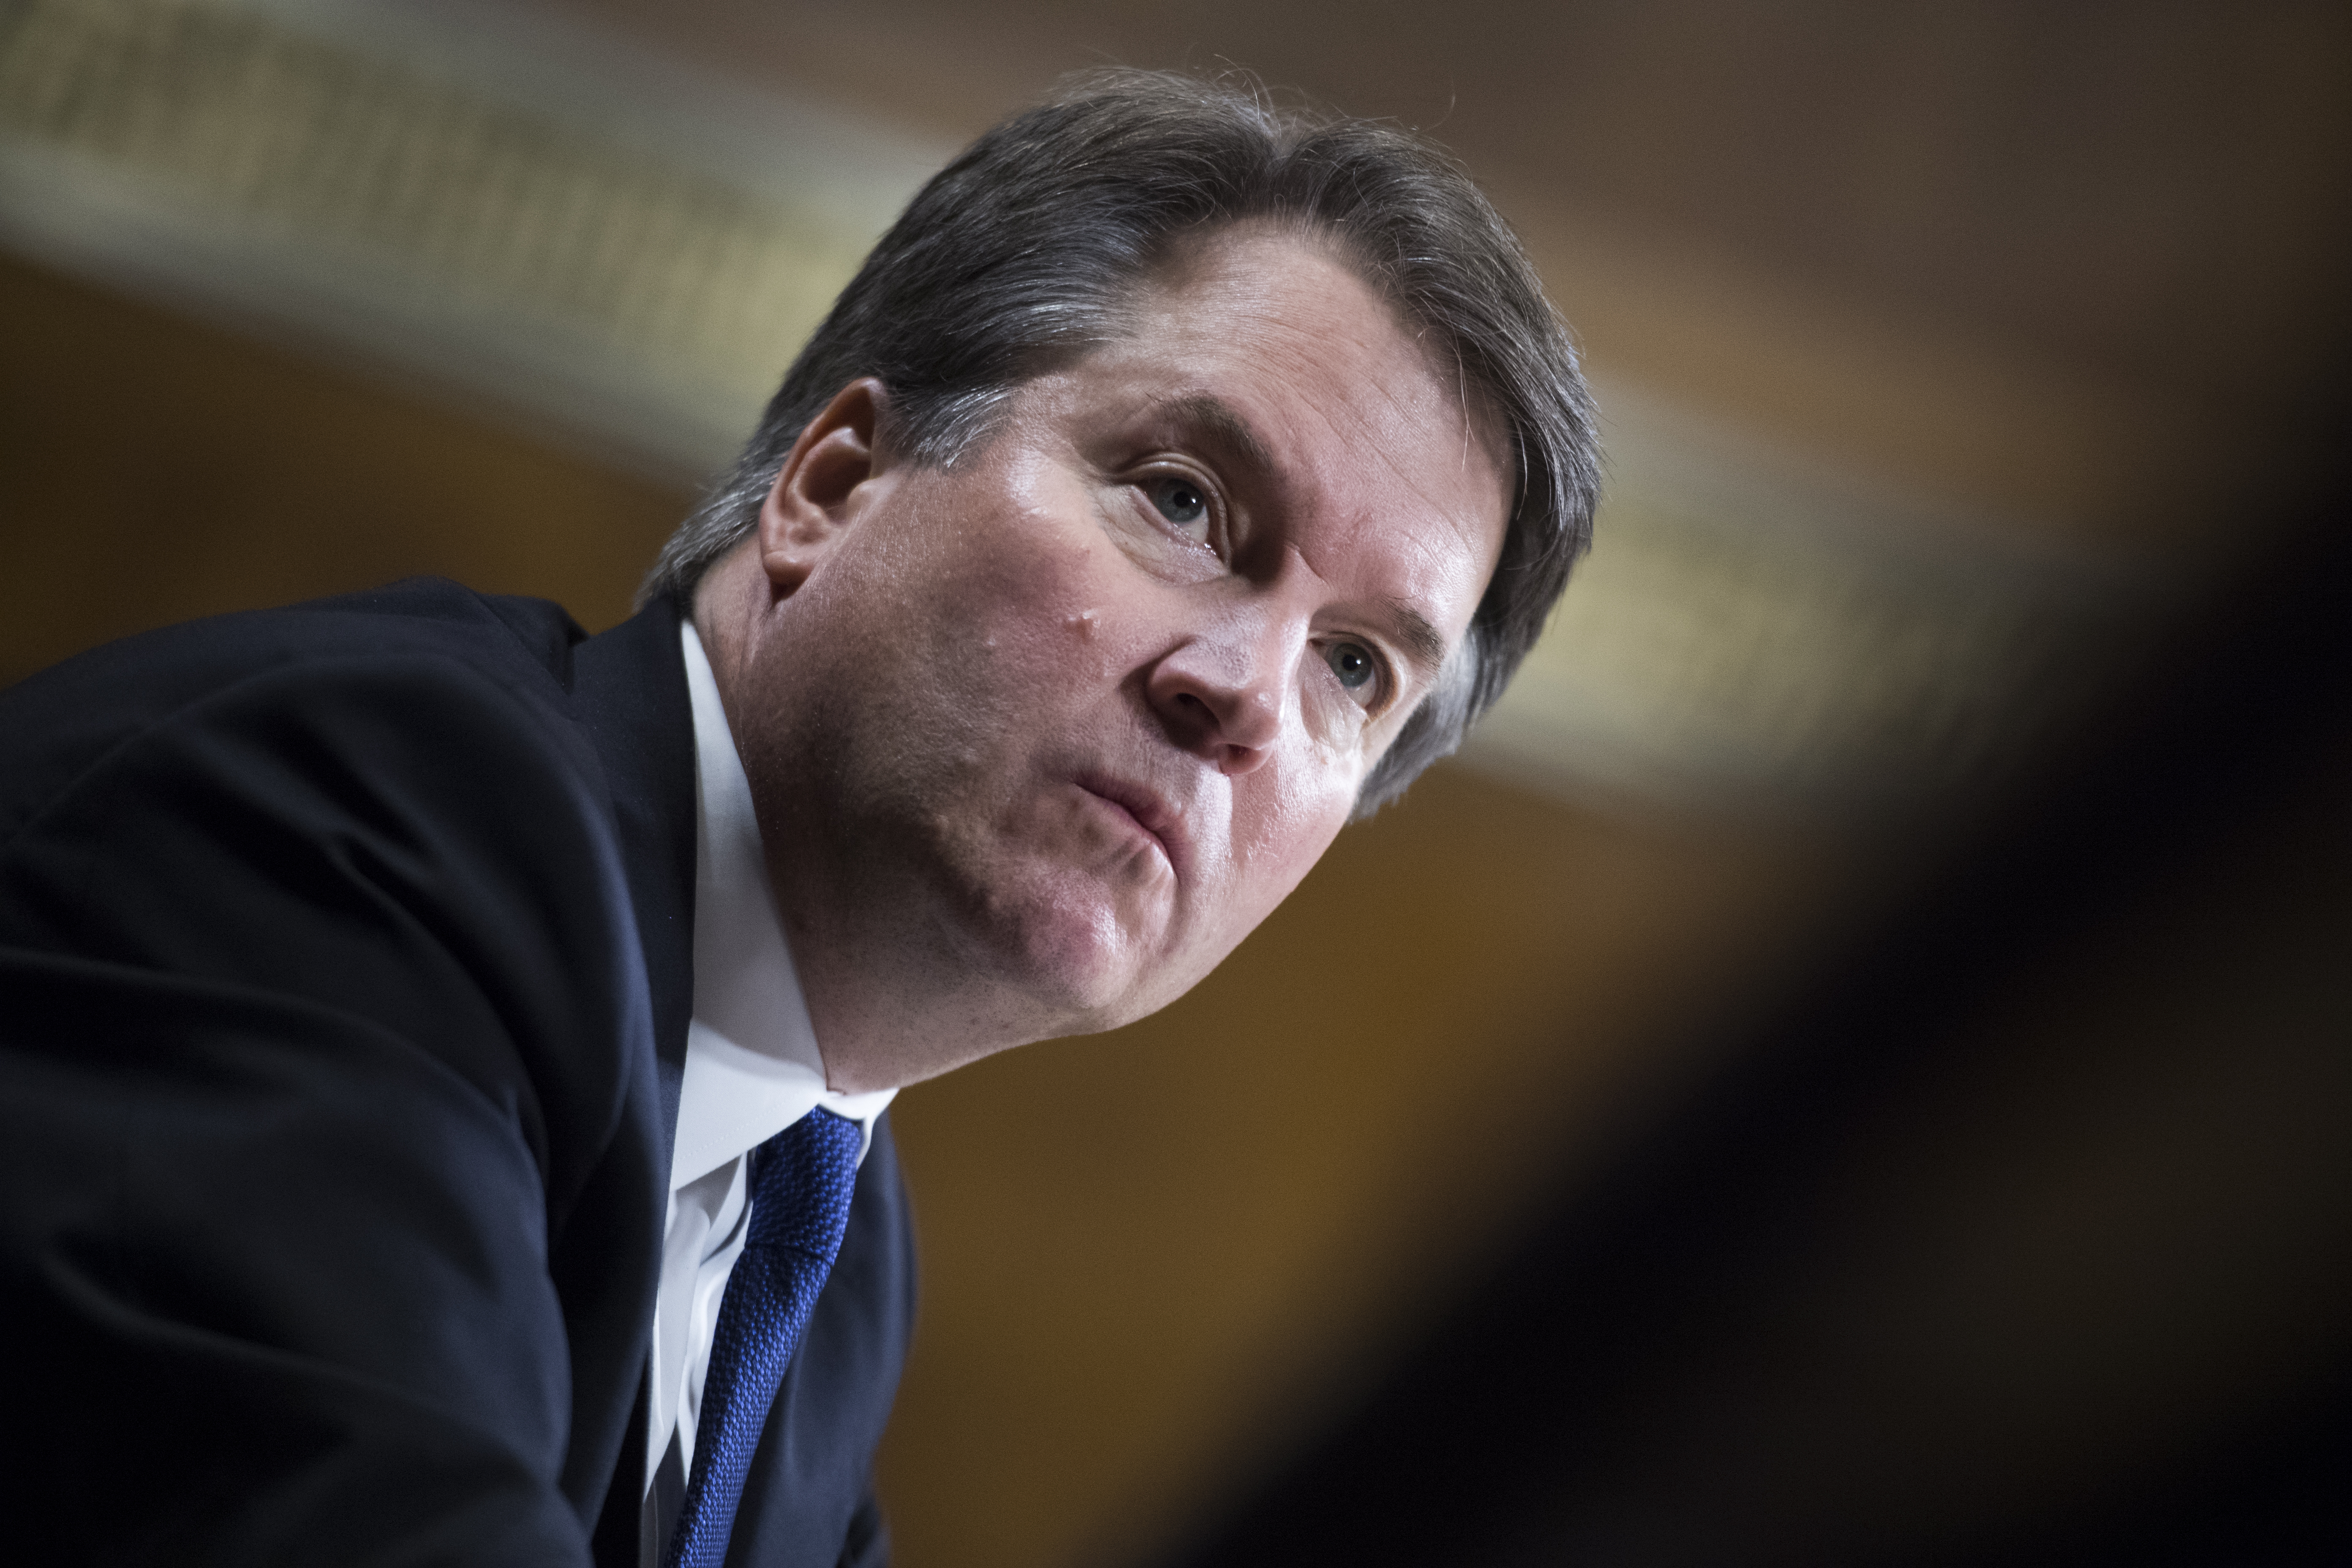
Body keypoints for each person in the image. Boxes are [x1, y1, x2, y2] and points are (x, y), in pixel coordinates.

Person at [0, 68, 1596, 1567]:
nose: (1247, 695)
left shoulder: (822, 1250)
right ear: (834, 482)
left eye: (1357, 667)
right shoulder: (362, 818)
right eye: (1182, 501)